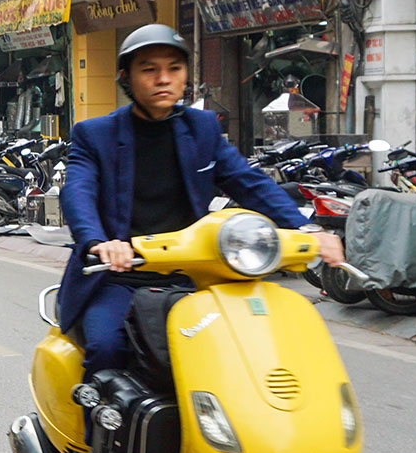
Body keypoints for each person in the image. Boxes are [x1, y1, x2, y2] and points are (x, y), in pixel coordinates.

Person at [59, 24, 343, 375]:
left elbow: (249, 182)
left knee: (248, 348)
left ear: (184, 77)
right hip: (119, 278)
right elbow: (78, 191)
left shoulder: (202, 128)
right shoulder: (94, 134)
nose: (163, 79)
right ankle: (101, 427)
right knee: (107, 350)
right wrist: (99, 242)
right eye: (149, 69)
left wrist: (308, 229)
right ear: (126, 77)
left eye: (174, 69)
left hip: (190, 276)